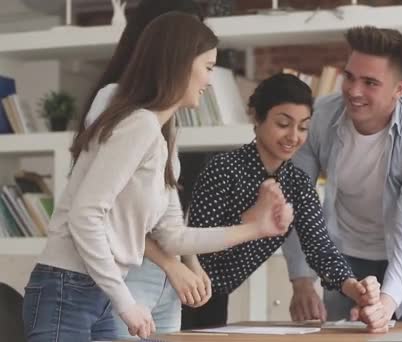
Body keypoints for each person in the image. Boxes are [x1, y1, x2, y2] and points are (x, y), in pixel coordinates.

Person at [22, 13, 293, 341]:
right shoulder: (138, 124)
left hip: (98, 290)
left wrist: (256, 228)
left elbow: (173, 237)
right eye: (207, 67)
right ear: (180, 64)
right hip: (68, 286)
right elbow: (85, 215)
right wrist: (126, 303)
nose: (209, 81)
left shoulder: (160, 136)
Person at [181, 72, 383, 332]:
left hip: (216, 295)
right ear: (257, 118)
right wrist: (252, 219)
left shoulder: (297, 184)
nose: (293, 136)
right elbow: (197, 249)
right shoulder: (223, 168)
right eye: (283, 123)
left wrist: (352, 286)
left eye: (303, 127)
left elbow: (320, 249)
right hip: (180, 290)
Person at [282, 26, 402, 329]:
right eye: (349, 77)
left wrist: (386, 303)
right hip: (343, 256)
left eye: (370, 82)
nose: (354, 91)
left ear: (399, 89)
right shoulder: (319, 119)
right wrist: (302, 279)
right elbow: (297, 201)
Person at [78, 0, 218, 339]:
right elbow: (109, 212)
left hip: (165, 281)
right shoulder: (113, 101)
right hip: (130, 277)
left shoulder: (167, 114)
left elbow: (165, 204)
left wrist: (190, 264)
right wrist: (172, 264)